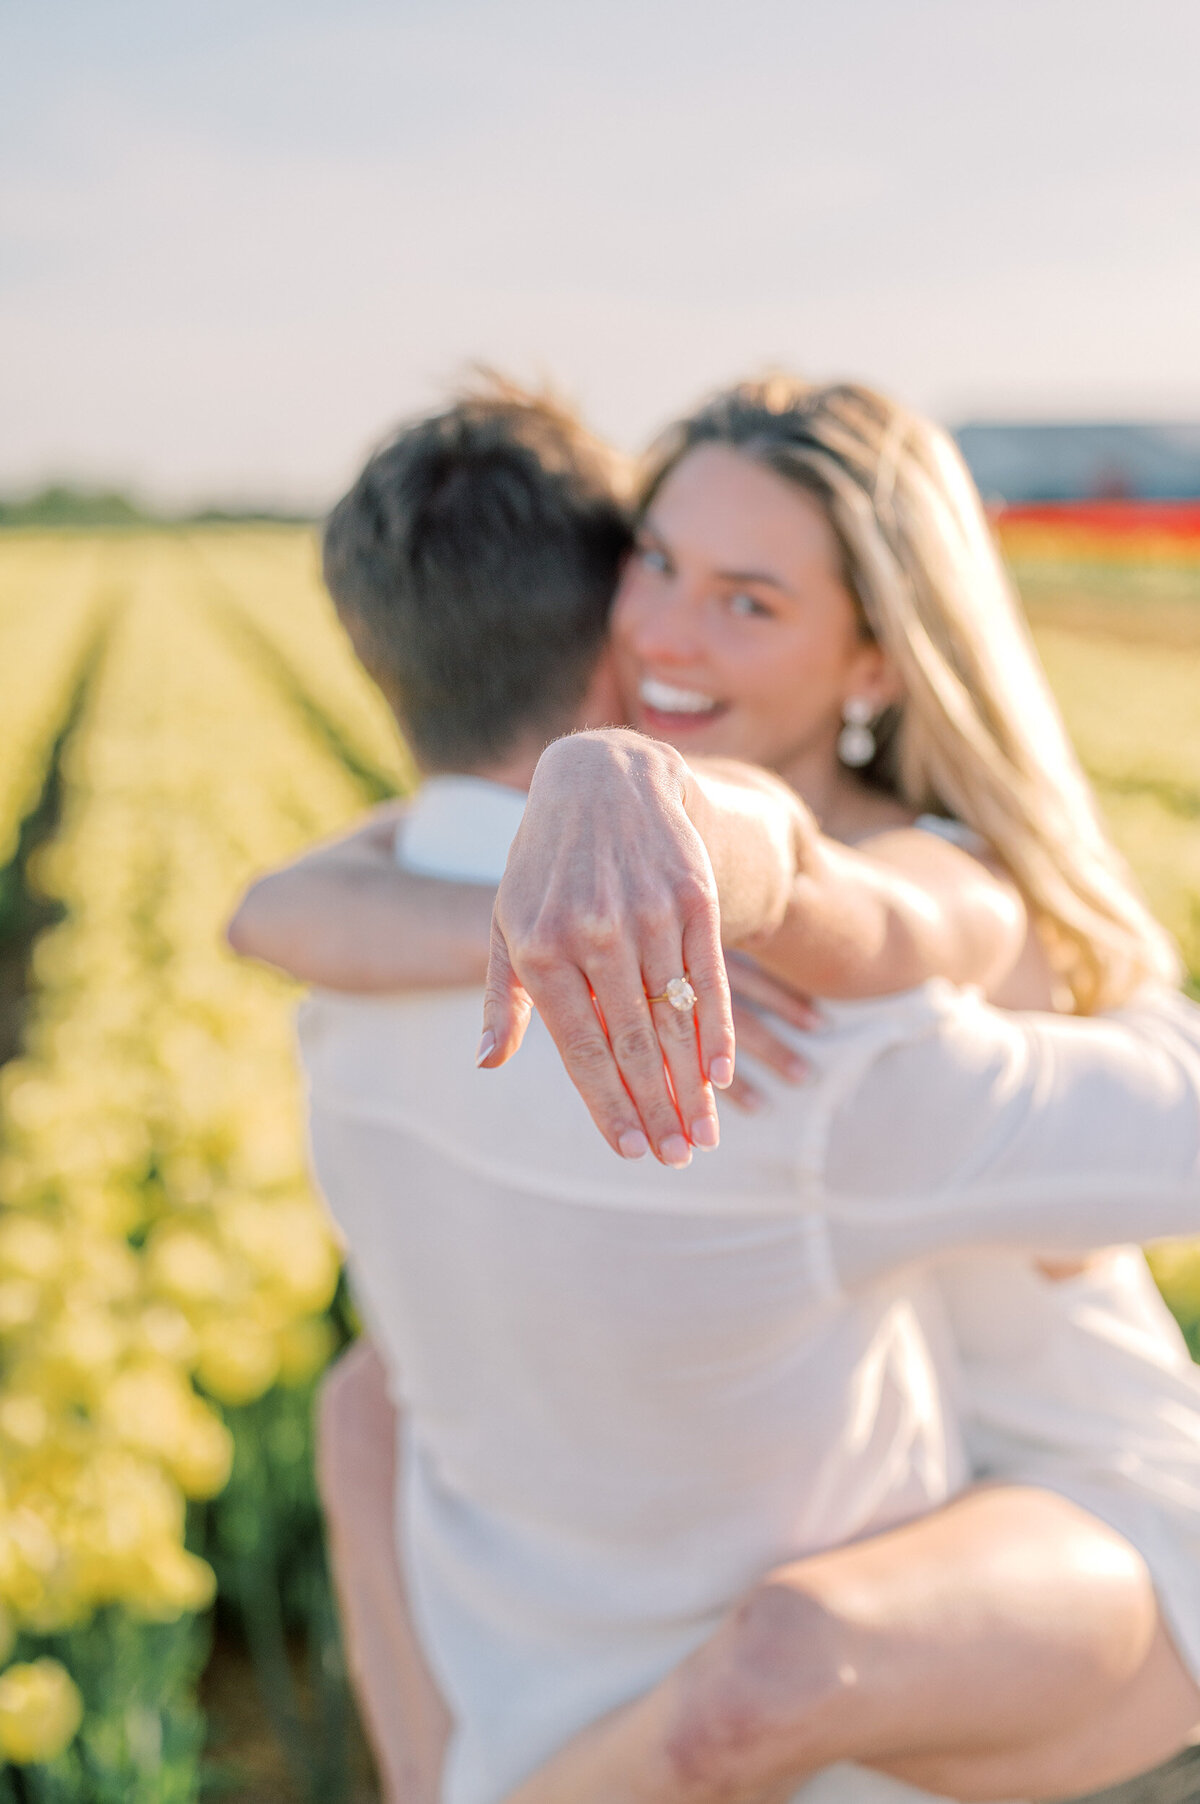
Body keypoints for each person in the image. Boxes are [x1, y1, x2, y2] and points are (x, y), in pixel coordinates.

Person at [229, 379, 1200, 1804]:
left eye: (750, 601)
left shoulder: (899, 909)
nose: (670, 632)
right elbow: (286, 903)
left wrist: (709, 849)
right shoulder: (596, 876)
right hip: (910, 1495)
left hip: (1053, 1510)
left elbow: (872, 906)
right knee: (364, 1400)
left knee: (763, 1668)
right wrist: (520, 933)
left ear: (875, 665)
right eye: (659, 565)